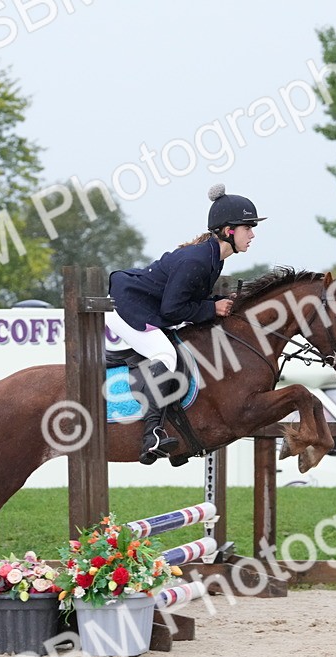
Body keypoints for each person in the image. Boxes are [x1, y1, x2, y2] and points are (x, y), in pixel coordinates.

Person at [106, 183, 264, 464]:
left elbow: (187, 299)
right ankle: (151, 434)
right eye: (247, 228)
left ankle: (178, 429)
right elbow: (174, 307)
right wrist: (212, 307)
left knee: (183, 351)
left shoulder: (213, 258)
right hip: (128, 309)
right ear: (229, 230)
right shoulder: (199, 260)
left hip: (147, 308)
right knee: (165, 356)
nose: (252, 234)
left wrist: (218, 301)